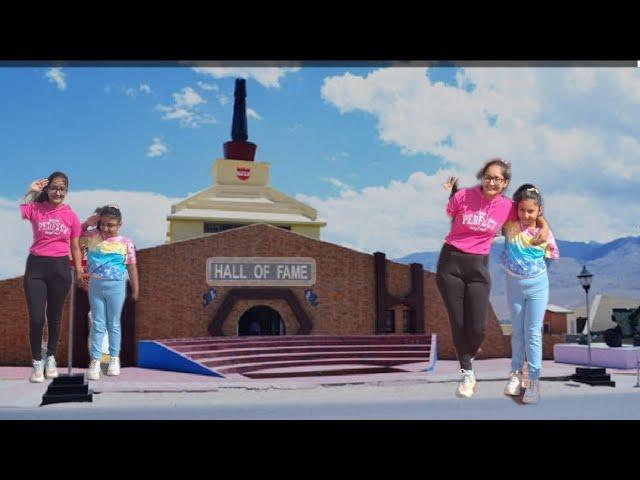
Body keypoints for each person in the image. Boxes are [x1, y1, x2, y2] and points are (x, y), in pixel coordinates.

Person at [436, 159, 549, 398]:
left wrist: (544, 228)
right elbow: (451, 210)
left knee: (477, 328)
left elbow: (531, 211)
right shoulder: (464, 196)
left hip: (478, 266)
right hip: (450, 262)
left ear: (505, 183)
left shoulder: (508, 207)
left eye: (497, 178)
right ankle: (467, 373)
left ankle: (469, 353)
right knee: (458, 321)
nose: (491, 182)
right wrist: (453, 190)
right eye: (488, 176)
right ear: (482, 177)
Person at [20, 172, 83, 382]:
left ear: (66, 191)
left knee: (54, 318)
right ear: (47, 189)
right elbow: (22, 210)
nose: (58, 192)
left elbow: (75, 246)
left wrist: (80, 270)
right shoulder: (37, 208)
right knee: (37, 318)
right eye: (54, 187)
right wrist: (30, 191)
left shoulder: (71, 216)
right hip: (36, 267)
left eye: (62, 189)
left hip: (60, 269)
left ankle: (51, 357)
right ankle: (37, 361)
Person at [502, 184, 559, 404]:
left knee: (532, 333)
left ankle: (533, 381)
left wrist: (543, 226)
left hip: (537, 286)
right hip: (513, 286)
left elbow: (551, 258)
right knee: (517, 332)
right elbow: (499, 205)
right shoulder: (509, 226)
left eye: (531, 211)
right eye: (522, 210)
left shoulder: (545, 234)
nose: (526, 215)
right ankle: (515, 375)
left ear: (539, 211)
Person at [81, 205, 139, 381]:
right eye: (103, 224)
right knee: (98, 323)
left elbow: (131, 266)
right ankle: (95, 361)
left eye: (111, 225)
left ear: (119, 224)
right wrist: (86, 224)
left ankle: (114, 359)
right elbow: (72, 238)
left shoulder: (125, 243)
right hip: (96, 285)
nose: (106, 228)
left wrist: (136, 289)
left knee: (113, 323)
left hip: (117, 286)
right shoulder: (91, 237)